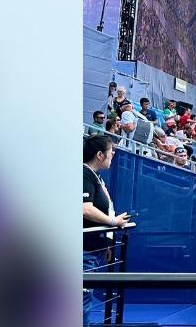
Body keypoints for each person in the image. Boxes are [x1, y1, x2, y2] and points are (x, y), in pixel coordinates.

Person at [83, 135, 130, 325]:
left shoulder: (94, 176)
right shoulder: (83, 173)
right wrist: (112, 221)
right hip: (83, 252)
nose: (114, 155)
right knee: (81, 302)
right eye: (111, 152)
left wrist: (106, 246)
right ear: (100, 155)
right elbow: (85, 208)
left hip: (93, 252)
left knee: (84, 301)